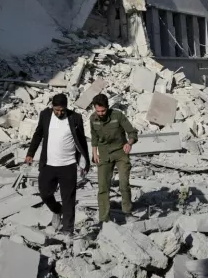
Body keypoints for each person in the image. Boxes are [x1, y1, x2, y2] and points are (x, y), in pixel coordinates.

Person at [25, 93, 90, 235]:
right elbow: (38, 134)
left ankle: (68, 229)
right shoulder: (45, 115)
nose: (59, 113)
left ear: (66, 107)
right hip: (49, 164)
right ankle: (57, 210)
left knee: (68, 198)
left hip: (68, 165)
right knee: (45, 193)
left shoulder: (75, 118)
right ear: (52, 107)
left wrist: (85, 163)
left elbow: (82, 142)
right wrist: (30, 153)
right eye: (57, 110)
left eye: (62, 110)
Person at [89, 93, 139, 223]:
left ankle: (127, 213)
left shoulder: (117, 115)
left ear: (108, 107)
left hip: (120, 152)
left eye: (103, 110)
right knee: (103, 187)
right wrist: (94, 153)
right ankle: (104, 219)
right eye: (98, 111)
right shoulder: (93, 118)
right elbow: (94, 137)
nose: (100, 113)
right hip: (104, 154)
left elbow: (132, 132)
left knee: (123, 184)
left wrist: (129, 143)